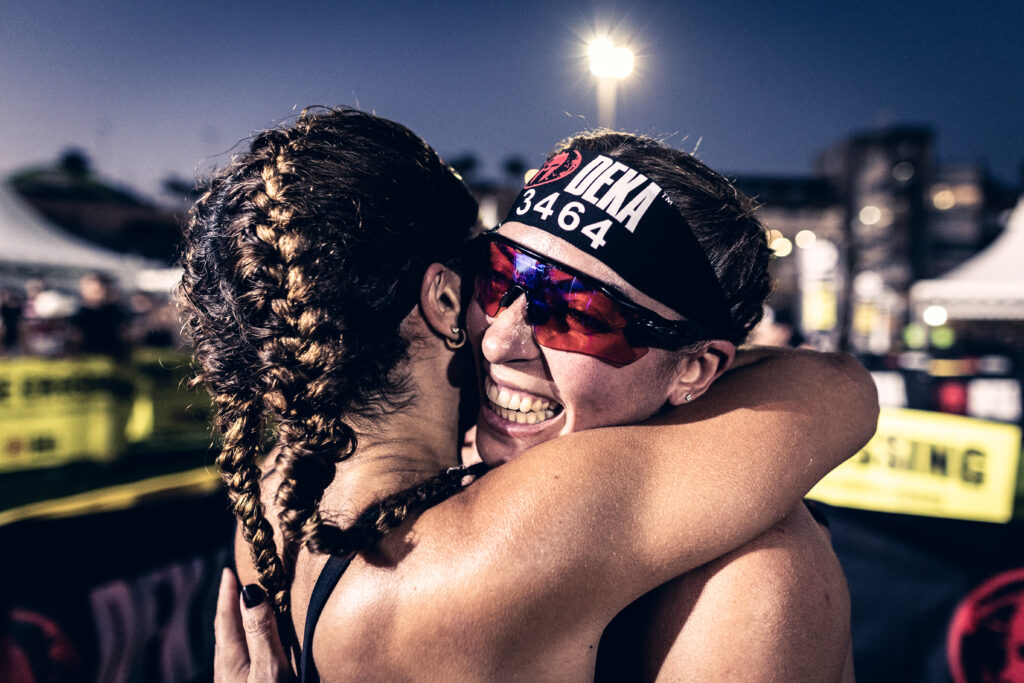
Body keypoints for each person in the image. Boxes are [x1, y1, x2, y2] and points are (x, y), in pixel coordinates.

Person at [186, 107, 876, 681]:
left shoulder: (296, 481)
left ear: (696, 367)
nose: (499, 340)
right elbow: (837, 387)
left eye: (574, 311)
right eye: (498, 278)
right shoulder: (489, 524)